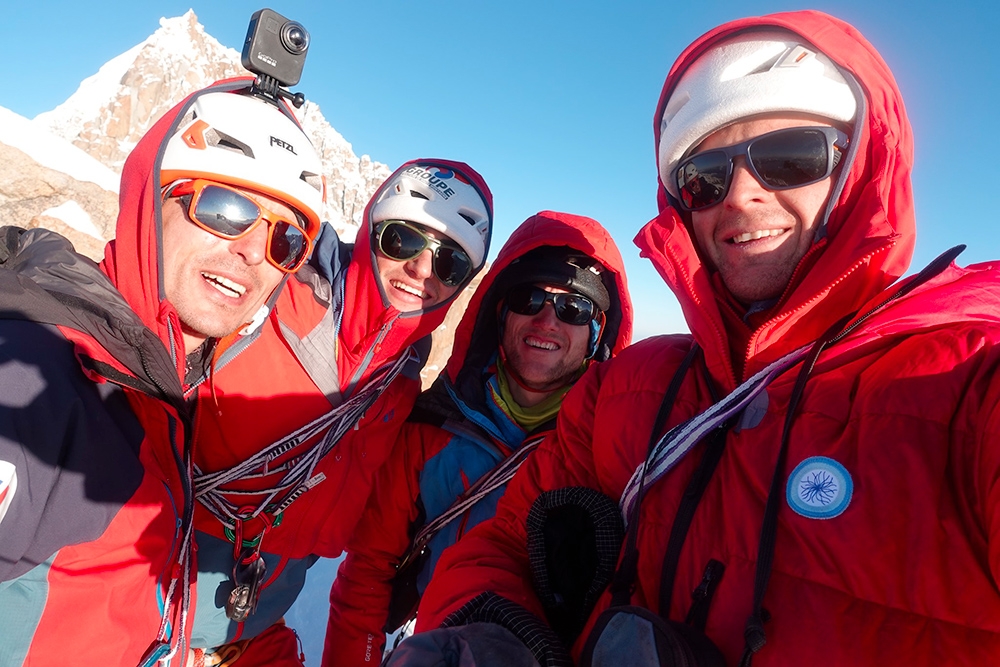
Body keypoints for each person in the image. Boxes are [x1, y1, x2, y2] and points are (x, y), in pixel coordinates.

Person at [403, 10, 1000, 666]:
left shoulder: (960, 390)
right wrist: (497, 633)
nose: (740, 196)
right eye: (705, 177)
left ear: (861, 163)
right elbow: (503, 546)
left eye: (789, 156)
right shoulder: (626, 389)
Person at [0, 78, 326, 665]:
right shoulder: (35, 374)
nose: (255, 251)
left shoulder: (165, 387)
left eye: (286, 237)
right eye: (228, 209)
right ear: (153, 198)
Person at [186, 155, 493, 665]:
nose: (421, 269)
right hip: (146, 602)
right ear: (372, 229)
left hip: (247, 631)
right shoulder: (273, 290)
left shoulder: (399, 385)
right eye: (403, 239)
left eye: (450, 263)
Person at [323, 210, 633, 666]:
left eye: (574, 308)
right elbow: (367, 577)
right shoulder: (429, 427)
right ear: (500, 313)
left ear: (596, 334)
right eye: (529, 298)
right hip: (437, 647)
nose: (547, 320)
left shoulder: (611, 454)